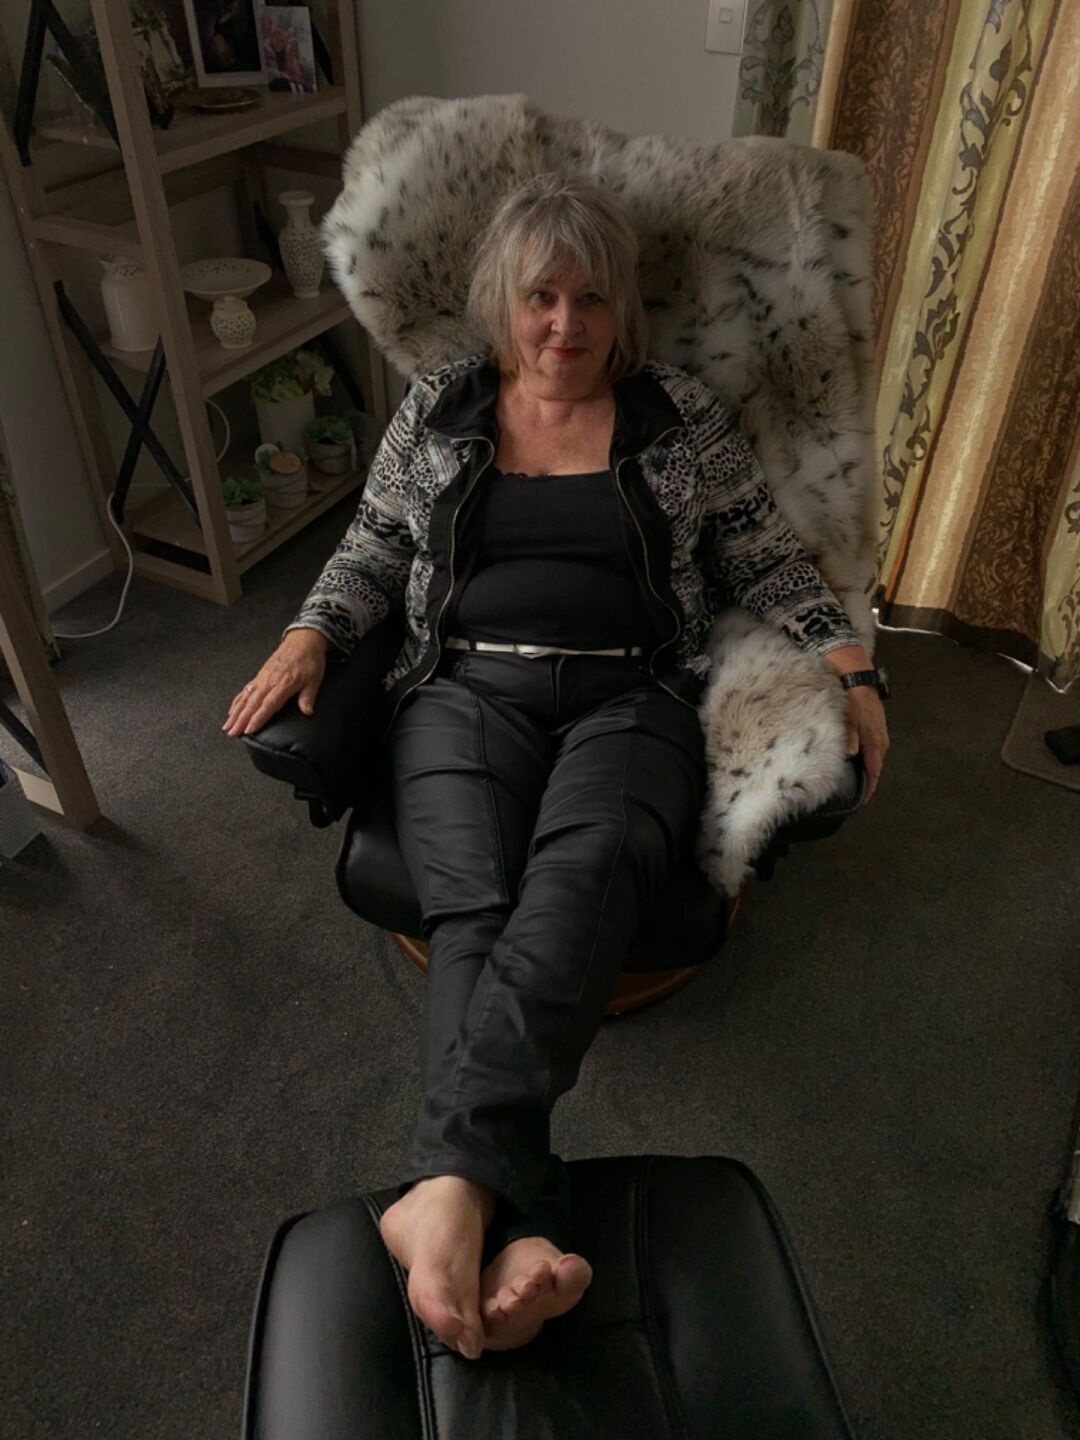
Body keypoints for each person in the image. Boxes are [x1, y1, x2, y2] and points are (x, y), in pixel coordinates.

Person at [224, 174, 889, 1362]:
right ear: (502, 301)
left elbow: (762, 552)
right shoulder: (441, 409)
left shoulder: (676, 417)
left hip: (631, 691)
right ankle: (519, 1221)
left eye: (591, 300)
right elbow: (374, 544)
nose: (565, 325)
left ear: (622, 309)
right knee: (474, 903)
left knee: (589, 869)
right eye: (540, 297)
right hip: (465, 688)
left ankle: (443, 1192)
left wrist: (854, 666)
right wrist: (314, 629)